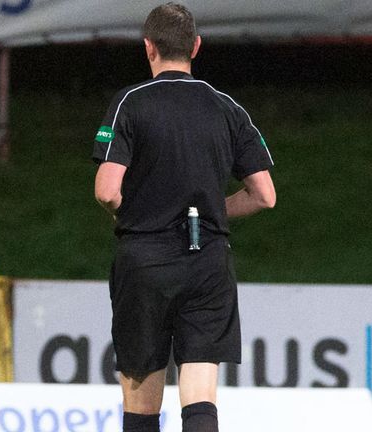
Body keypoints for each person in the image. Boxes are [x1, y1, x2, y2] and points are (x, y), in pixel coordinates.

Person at [91, 3, 276, 432]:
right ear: (195, 46)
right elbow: (264, 195)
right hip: (208, 257)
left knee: (141, 400)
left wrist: (134, 208)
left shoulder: (130, 103)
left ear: (148, 48)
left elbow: (106, 190)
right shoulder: (227, 107)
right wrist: (212, 209)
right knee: (200, 393)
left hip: (145, 259)